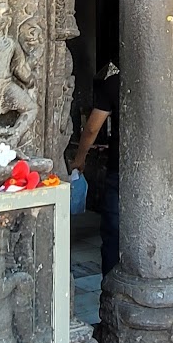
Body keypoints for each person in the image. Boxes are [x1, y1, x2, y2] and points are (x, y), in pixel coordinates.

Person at [72, 63, 120, 276]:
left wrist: (80, 157)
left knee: (113, 231)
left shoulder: (114, 83)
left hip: (120, 168)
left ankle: (111, 288)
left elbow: (92, 127)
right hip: (158, 171)